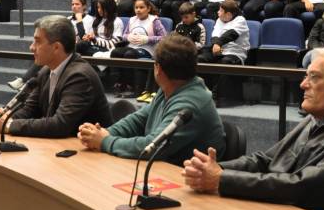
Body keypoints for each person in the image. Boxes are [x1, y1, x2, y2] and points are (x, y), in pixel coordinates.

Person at [182, 44, 324, 210]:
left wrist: (222, 179)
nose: (303, 84)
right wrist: (212, 170)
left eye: (314, 77)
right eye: (306, 76)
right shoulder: (318, 118)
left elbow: (302, 186)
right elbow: (266, 160)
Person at [79, 33, 225, 165]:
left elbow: (152, 146)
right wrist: (103, 133)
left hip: (182, 179)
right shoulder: (170, 88)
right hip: (166, 170)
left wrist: (105, 141)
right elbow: (138, 120)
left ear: (158, 69)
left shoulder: (189, 104)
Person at [110, 0, 167, 98]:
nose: (138, 10)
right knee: (115, 52)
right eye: (136, 8)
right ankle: (119, 84)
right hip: (131, 46)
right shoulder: (132, 20)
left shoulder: (154, 20)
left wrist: (148, 39)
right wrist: (128, 37)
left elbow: (164, 37)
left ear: (148, 9)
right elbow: (124, 35)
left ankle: (132, 86)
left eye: (141, 7)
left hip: (147, 49)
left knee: (130, 54)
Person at [198, 0, 250, 106]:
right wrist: (216, 45)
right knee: (200, 59)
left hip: (235, 53)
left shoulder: (240, 20)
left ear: (229, 14)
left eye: (221, 10)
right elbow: (215, 35)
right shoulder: (220, 20)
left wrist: (218, 44)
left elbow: (231, 34)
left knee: (224, 62)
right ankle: (202, 94)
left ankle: (216, 97)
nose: (218, 12)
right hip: (219, 50)